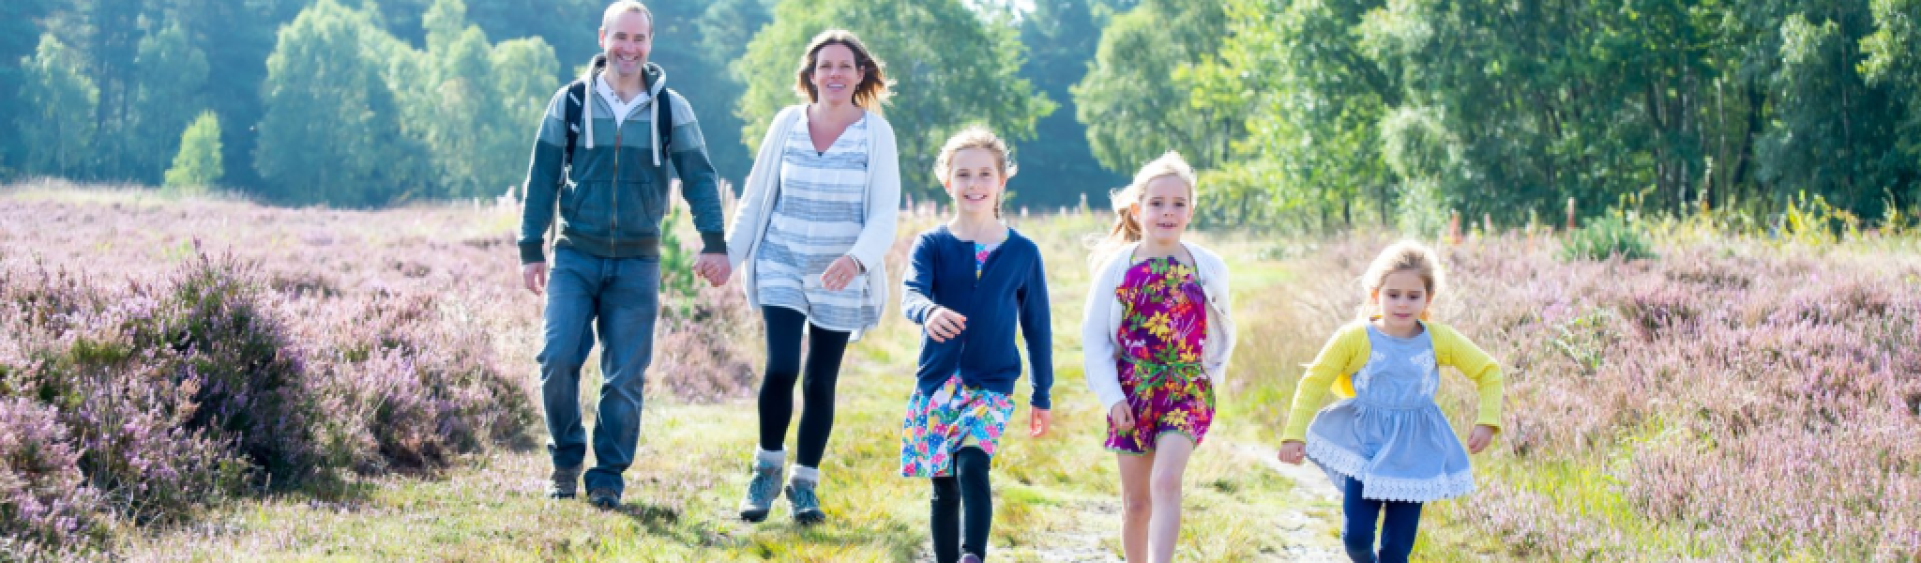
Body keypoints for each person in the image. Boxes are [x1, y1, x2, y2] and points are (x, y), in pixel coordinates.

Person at [514, 0, 733, 510]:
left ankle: (608, 475)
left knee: (625, 377)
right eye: (620, 37)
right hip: (575, 254)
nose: (628, 48)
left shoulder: (670, 108)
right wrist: (531, 247)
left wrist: (714, 240)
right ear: (602, 38)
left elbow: (699, 177)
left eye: (638, 38)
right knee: (557, 357)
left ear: (649, 44)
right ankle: (567, 459)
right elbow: (542, 177)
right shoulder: (568, 103)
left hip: (638, 261)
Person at [726, 29, 901, 525]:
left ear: (861, 73)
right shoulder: (786, 124)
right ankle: (765, 470)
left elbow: (885, 213)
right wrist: (729, 255)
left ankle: (804, 484)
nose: (835, 74)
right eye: (825, 65)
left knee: (820, 380)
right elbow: (756, 198)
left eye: (845, 65)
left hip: (841, 275)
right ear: (811, 74)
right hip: (781, 259)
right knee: (782, 367)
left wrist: (858, 260)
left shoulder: (876, 134)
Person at [1274, 240, 1505, 563]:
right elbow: (1315, 381)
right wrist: (1294, 434)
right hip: (1363, 445)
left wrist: (1487, 421)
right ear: (1375, 295)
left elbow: (1488, 371)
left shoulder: (1438, 339)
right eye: (1393, 294)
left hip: (1415, 452)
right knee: (1355, 539)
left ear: (1428, 299)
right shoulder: (1355, 337)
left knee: (1396, 550)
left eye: (1413, 296)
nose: (1402, 304)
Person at [898, 127, 1053, 563]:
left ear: (1002, 180)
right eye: (963, 174)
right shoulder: (931, 245)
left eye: (985, 174)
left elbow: (1037, 328)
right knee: (943, 485)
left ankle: (973, 555)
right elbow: (911, 293)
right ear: (947, 182)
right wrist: (928, 312)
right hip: (938, 383)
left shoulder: (1023, 252)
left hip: (992, 383)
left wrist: (1041, 394)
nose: (974, 184)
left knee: (972, 463)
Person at [1082, 151, 1236, 563]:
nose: (1168, 212)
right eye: (1157, 203)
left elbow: (1223, 329)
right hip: (1132, 395)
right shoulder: (1118, 268)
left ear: (1190, 211)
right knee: (1136, 505)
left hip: (1187, 389)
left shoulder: (1209, 266)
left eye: (1178, 204)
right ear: (1138, 209)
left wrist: (1211, 379)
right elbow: (1095, 339)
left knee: (1166, 481)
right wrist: (1112, 398)